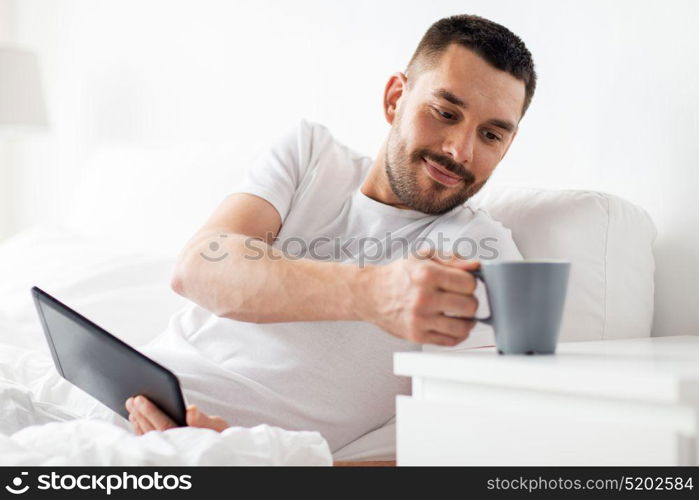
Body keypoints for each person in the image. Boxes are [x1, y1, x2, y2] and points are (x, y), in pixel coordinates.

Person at [125, 14, 537, 454]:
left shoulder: (483, 256)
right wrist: (374, 292)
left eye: (491, 135)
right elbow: (198, 269)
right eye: (445, 113)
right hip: (124, 396)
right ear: (396, 98)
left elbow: (466, 452)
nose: (461, 151)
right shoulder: (311, 155)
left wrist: (265, 464)